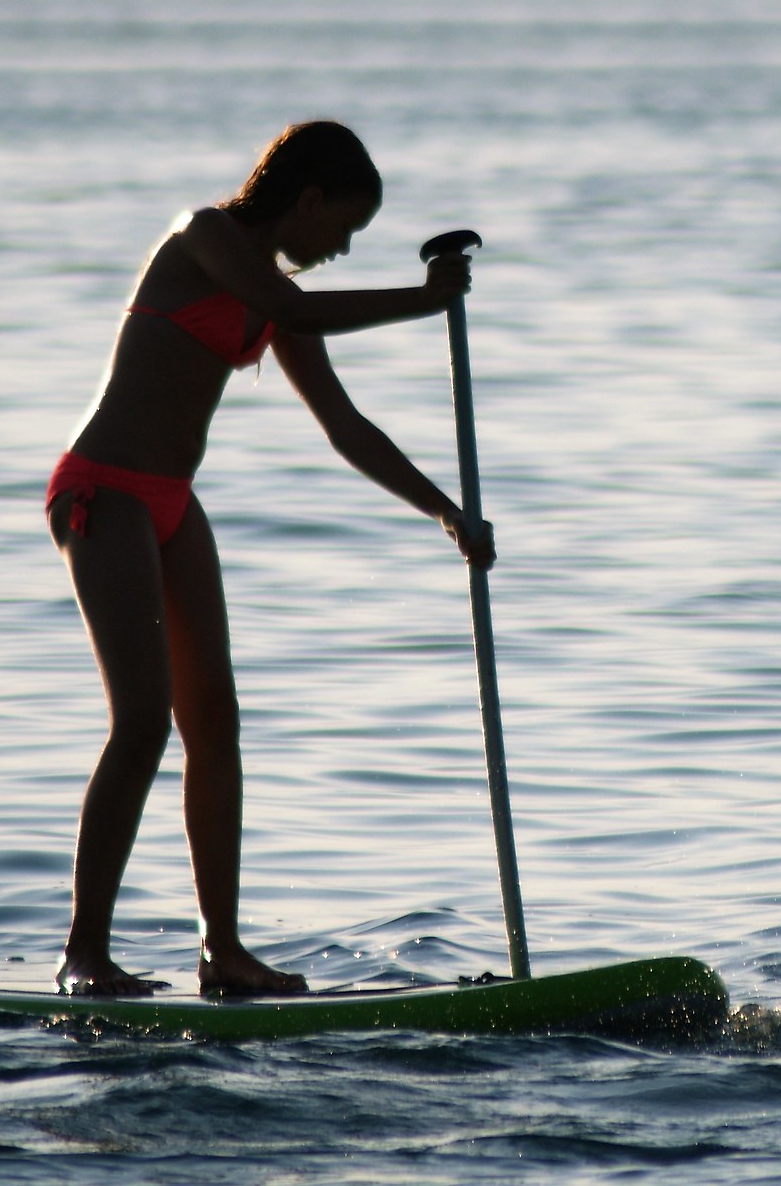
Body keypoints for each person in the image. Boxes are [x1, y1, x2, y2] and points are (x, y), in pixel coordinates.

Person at [44, 119, 492, 997]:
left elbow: (345, 427)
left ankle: (223, 952)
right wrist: (425, 298)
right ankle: (84, 953)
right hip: (103, 491)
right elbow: (291, 309)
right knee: (142, 721)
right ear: (308, 197)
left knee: (216, 721)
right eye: (344, 228)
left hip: (173, 503)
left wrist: (446, 510)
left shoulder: (272, 291)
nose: (343, 247)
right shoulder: (205, 235)